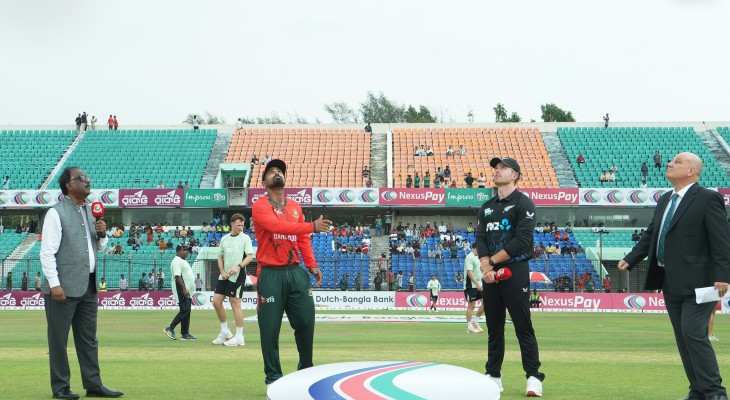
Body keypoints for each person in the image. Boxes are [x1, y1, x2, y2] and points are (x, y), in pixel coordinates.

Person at [618, 152, 730, 400]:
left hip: (701, 283)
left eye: (677, 162)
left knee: (693, 334)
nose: (670, 163)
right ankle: (698, 390)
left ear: (692, 171)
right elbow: (652, 234)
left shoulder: (707, 198)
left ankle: (715, 392)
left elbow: (722, 240)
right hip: (670, 281)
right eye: (671, 160)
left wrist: (723, 275)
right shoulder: (665, 199)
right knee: (683, 338)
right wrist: (632, 257)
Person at [40, 167, 123, 399]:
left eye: (87, 177)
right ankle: (61, 387)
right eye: (82, 178)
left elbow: (97, 248)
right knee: (58, 340)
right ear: (68, 185)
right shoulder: (55, 213)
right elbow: (47, 253)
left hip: (88, 286)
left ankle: (93, 384)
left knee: (88, 339)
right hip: (62, 289)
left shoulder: (90, 211)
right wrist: (54, 284)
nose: (88, 180)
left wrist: (103, 234)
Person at [251, 159, 331, 386]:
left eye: (280, 171)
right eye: (271, 171)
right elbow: (277, 227)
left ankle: (305, 370)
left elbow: (302, 237)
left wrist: (311, 264)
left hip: (295, 272)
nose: (277, 173)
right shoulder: (260, 206)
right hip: (270, 273)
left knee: (306, 322)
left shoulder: (295, 207)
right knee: (270, 329)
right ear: (264, 182)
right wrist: (312, 226)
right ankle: (273, 378)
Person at [476, 157, 544, 397]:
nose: (497, 171)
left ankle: (534, 377)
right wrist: (485, 266)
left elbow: (522, 241)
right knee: (494, 327)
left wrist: (492, 262)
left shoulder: (524, 204)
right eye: (496, 168)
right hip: (490, 273)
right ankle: (493, 376)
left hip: (515, 271)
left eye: (503, 168)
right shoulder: (486, 207)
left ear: (515, 175)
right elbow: (481, 238)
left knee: (523, 326)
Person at [211, 214, 254, 347]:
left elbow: (250, 257)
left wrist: (238, 266)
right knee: (216, 302)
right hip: (224, 276)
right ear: (232, 224)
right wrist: (222, 271)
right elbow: (220, 257)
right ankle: (225, 332)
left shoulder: (245, 238)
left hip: (238, 276)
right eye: (238, 225)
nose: (241, 227)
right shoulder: (224, 239)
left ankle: (239, 337)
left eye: (242, 225)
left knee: (235, 304)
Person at [164, 244, 197, 341]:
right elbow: (177, 276)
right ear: (179, 251)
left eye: (188, 250)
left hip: (187, 290)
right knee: (184, 310)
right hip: (181, 289)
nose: (187, 251)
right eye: (185, 250)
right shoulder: (176, 261)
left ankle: (185, 333)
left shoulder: (183, 261)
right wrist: (184, 289)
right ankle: (170, 328)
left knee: (187, 311)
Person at [464, 242, 484, 334]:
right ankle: (469, 327)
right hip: (470, 285)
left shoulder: (479, 257)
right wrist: (477, 283)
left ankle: (475, 321)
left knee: (486, 303)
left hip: (479, 284)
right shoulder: (470, 257)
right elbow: (469, 272)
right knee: (471, 305)